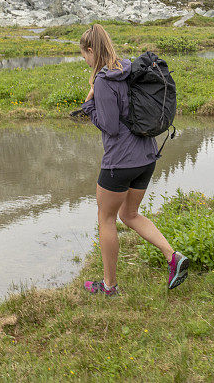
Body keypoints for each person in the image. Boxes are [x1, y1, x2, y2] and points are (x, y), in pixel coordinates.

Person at [79, 24, 188, 296]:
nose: (85, 60)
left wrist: (88, 105)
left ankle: (109, 286)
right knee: (130, 214)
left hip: (120, 162)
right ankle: (172, 256)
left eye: (84, 55)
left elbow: (110, 127)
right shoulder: (129, 68)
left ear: (91, 50)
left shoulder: (104, 81)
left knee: (106, 218)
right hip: (146, 157)